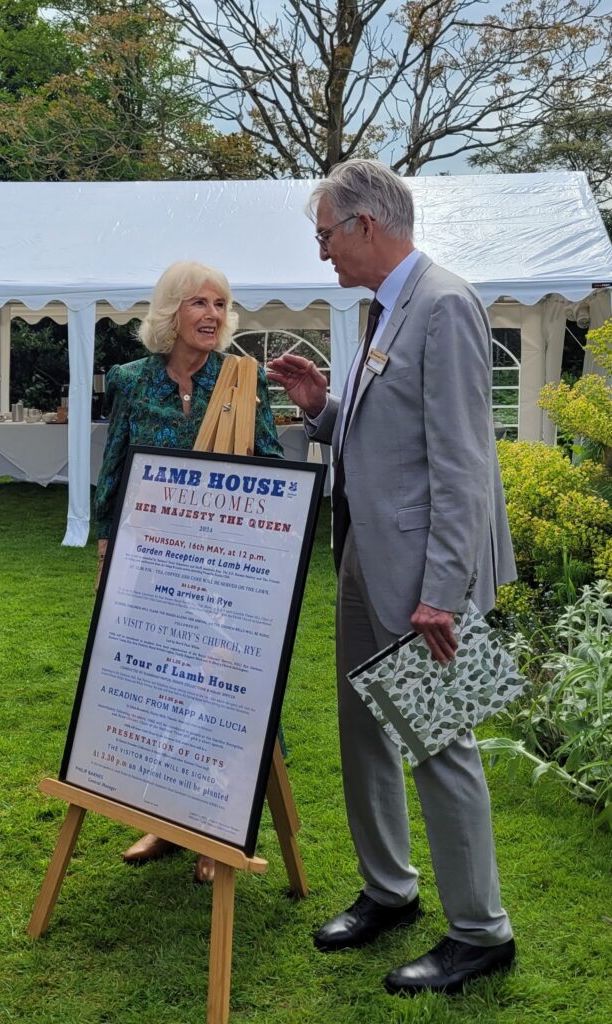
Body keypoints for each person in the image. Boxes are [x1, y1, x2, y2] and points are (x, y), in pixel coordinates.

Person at [267, 159, 517, 996]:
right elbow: (391, 433)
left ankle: (480, 931)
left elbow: (464, 462)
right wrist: (321, 408)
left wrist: (443, 591)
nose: (323, 253)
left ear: (365, 226)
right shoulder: (388, 306)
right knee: (363, 732)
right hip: (365, 559)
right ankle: (389, 889)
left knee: (440, 744)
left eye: (325, 236)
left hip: (419, 579)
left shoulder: (443, 303)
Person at [95, 259, 283, 882]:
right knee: (158, 687)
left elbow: (271, 466)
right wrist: (106, 547)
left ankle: (216, 828)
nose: (212, 314)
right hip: (150, 565)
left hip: (222, 569)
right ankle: (164, 817)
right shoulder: (130, 380)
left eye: (220, 304)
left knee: (219, 687)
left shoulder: (243, 380)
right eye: (199, 302)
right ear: (170, 311)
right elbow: (115, 466)